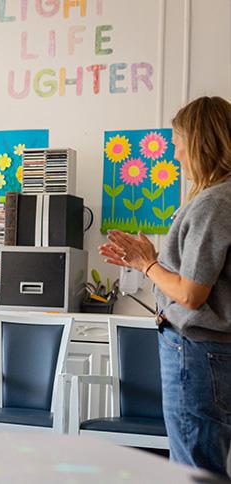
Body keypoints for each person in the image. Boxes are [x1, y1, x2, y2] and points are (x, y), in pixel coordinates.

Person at [99, 96, 231, 477]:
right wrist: (151, 263)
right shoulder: (217, 200)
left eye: (177, 143)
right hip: (206, 354)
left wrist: (148, 264)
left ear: (202, 143)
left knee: (193, 469)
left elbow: (191, 294)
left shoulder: (213, 203)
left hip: (197, 355)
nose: (175, 155)